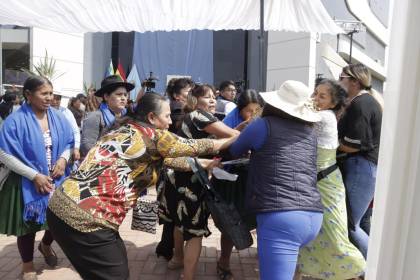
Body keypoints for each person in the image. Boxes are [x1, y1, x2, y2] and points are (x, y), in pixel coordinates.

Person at [46, 92, 236, 280]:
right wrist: (236, 137)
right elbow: (196, 145)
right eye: (167, 116)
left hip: (60, 208)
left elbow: (171, 160)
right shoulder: (154, 136)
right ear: (152, 117)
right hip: (87, 219)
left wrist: (205, 163)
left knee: (113, 266)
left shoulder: (124, 130)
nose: (170, 122)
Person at [229, 80, 324, 280]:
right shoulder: (311, 132)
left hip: (280, 216)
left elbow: (235, 149)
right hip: (313, 215)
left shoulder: (263, 126)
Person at [161, 84, 239, 280]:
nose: (213, 100)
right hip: (192, 179)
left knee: (180, 222)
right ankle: (188, 276)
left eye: (214, 96)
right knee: (194, 232)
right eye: (208, 97)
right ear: (195, 100)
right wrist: (243, 130)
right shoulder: (200, 115)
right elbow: (233, 136)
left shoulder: (189, 117)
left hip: (175, 176)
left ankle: (177, 259)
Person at [0, 76, 74, 280]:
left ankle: (45, 245)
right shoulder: (15, 121)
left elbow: (69, 142)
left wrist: (62, 160)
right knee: (28, 227)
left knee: (59, 221)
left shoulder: (58, 117)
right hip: (26, 181)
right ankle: (28, 266)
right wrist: (34, 175)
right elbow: (5, 154)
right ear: (28, 95)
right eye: (44, 93)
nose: (50, 98)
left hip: (56, 179)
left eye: (51, 93)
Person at [296, 79, 366, 280]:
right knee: (313, 233)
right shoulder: (319, 114)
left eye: (322, 96)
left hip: (326, 183)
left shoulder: (325, 117)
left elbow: (298, 117)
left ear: (333, 104)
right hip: (316, 182)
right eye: (315, 93)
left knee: (335, 234)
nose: (315, 98)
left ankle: (360, 271)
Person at [212, 89, 264, 279]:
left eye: (257, 110)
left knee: (259, 218)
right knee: (231, 222)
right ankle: (224, 262)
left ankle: (262, 253)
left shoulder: (263, 123)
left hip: (253, 177)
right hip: (230, 180)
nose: (253, 115)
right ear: (239, 109)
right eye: (248, 110)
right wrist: (239, 131)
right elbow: (219, 149)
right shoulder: (228, 122)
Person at [337, 63, 383, 259]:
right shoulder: (366, 101)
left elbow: (355, 144)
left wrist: (331, 143)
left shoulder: (360, 104)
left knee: (349, 225)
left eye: (342, 78)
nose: (339, 82)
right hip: (366, 167)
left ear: (355, 81)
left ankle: (372, 269)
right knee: (361, 223)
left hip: (361, 166)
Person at [155, 77, 195, 261]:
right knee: (174, 212)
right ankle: (169, 251)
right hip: (173, 170)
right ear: (178, 95)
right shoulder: (179, 112)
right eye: (189, 92)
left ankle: (165, 248)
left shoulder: (174, 109)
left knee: (169, 211)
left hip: (167, 168)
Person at [80, 75, 131, 158]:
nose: (123, 98)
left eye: (125, 95)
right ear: (106, 96)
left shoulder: (128, 117)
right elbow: (87, 148)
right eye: (119, 94)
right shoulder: (95, 117)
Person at [51, 92, 81, 162]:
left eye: (58, 99)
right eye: (53, 99)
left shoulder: (66, 112)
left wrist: (76, 148)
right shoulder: (42, 113)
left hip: (65, 149)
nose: (55, 102)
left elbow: (75, 131)